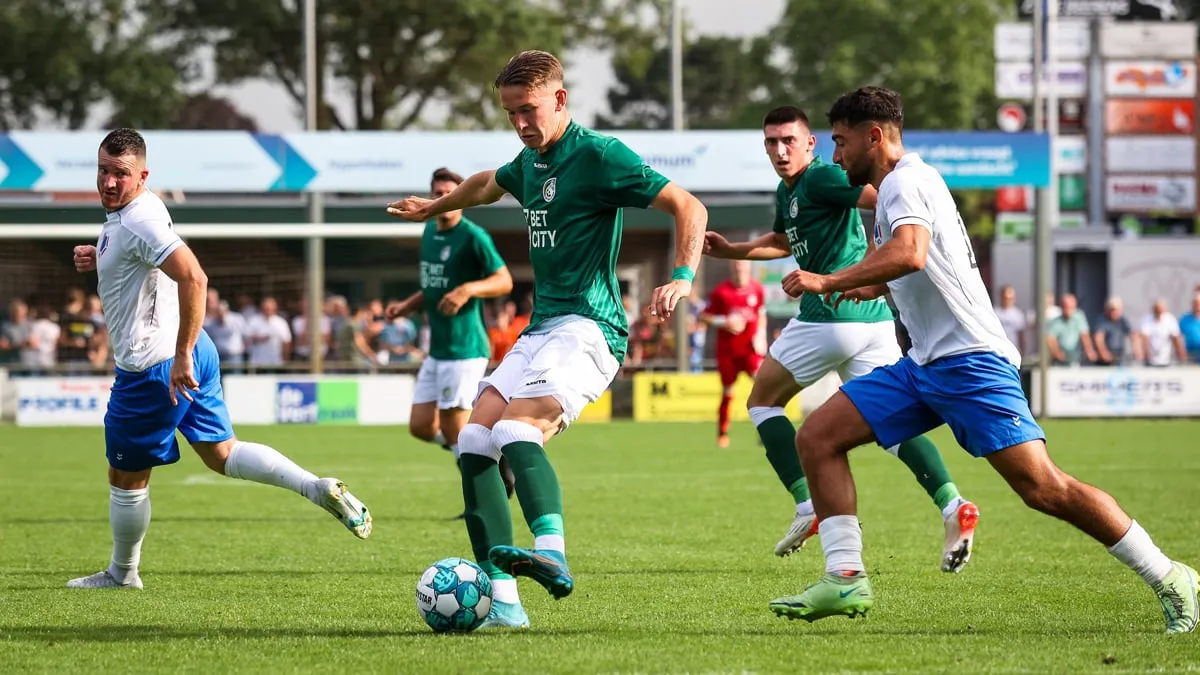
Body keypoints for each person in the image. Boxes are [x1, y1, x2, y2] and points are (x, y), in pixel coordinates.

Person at [767, 87, 1197, 633]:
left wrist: (829, 279)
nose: (835, 156)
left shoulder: (904, 181)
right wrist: (872, 288)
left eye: (840, 141)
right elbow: (924, 265)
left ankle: (1167, 574)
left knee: (1044, 489)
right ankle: (845, 574)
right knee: (818, 436)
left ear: (873, 136)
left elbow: (911, 253)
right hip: (924, 366)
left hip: (971, 363)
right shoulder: (901, 183)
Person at [386, 50, 707, 629]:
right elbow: (487, 183)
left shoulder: (599, 155)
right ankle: (504, 604)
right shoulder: (531, 160)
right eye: (510, 114)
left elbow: (688, 206)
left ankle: (552, 553)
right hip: (542, 327)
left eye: (528, 110)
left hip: (591, 329)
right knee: (475, 441)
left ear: (560, 99)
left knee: (513, 428)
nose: (520, 124)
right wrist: (436, 206)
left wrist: (681, 277)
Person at [66, 129, 371, 591]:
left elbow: (194, 277)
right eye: (103, 171)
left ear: (143, 175)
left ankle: (122, 574)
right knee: (221, 453)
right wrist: (101, 257)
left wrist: (181, 355)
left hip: (157, 368)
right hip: (193, 352)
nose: (109, 182)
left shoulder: (136, 222)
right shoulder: (136, 212)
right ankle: (315, 485)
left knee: (126, 476)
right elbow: (145, 263)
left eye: (121, 174)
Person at [704, 105, 977, 567]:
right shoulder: (789, 191)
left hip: (828, 315)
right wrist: (735, 250)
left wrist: (862, 261)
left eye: (789, 140)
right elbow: (784, 241)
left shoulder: (822, 178)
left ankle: (807, 503)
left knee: (763, 402)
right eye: (771, 142)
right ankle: (953, 503)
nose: (779, 150)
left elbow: (880, 199)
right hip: (871, 322)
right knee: (893, 427)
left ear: (811, 144)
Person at [386, 168, 517, 506]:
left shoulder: (474, 237)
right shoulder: (429, 231)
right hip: (438, 349)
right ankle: (494, 455)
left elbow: (504, 281)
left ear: (460, 196)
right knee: (420, 426)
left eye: (447, 192)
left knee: (454, 427)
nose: (441, 198)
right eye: (436, 192)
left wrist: (468, 289)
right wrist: (407, 306)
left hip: (464, 348)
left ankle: (484, 499)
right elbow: (434, 285)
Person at [699, 259, 766, 448]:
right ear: (731, 268)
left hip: (750, 351)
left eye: (743, 265)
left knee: (764, 388)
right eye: (736, 266)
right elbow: (704, 316)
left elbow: (761, 313)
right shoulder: (721, 292)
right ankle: (722, 433)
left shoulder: (757, 289)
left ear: (749, 267)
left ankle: (765, 431)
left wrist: (761, 337)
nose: (740, 269)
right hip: (728, 351)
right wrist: (724, 322)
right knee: (728, 391)